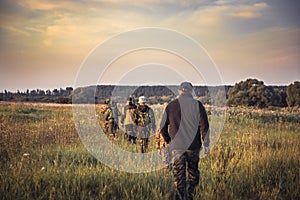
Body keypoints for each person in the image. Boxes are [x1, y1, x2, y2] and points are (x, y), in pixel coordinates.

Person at [160, 82, 210, 200]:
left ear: (179, 91)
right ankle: (191, 195)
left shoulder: (171, 106)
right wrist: (206, 144)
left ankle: (180, 197)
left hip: (176, 146)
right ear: (191, 91)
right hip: (193, 146)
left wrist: (168, 140)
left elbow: (162, 127)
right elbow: (204, 126)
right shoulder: (197, 105)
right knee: (193, 174)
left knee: (179, 175)